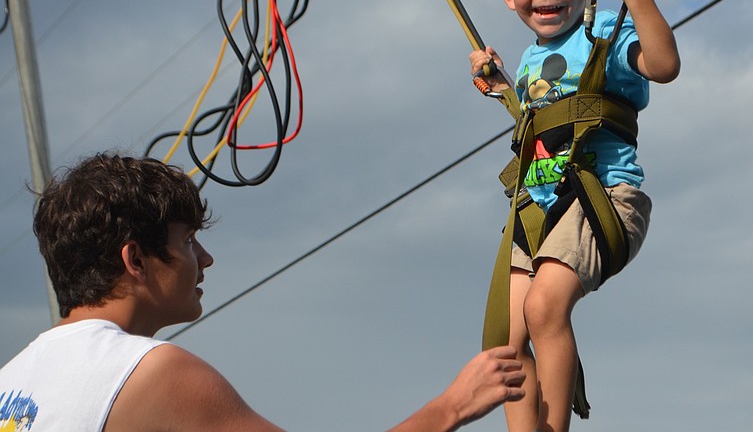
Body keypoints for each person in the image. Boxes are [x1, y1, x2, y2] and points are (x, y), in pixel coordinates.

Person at [0, 154, 525, 431]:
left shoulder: (12, 381)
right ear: (134, 260)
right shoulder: (151, 372)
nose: (204, 259)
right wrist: (454, 406)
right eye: (188, 242)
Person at [469, 0, 680, 432]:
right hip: (539, 207)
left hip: (602, 198)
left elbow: (664, 65)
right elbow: (540, 118)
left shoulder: (605, 32)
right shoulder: (526, 60)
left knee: (543, 309)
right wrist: (500, 87)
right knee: (506, 337)